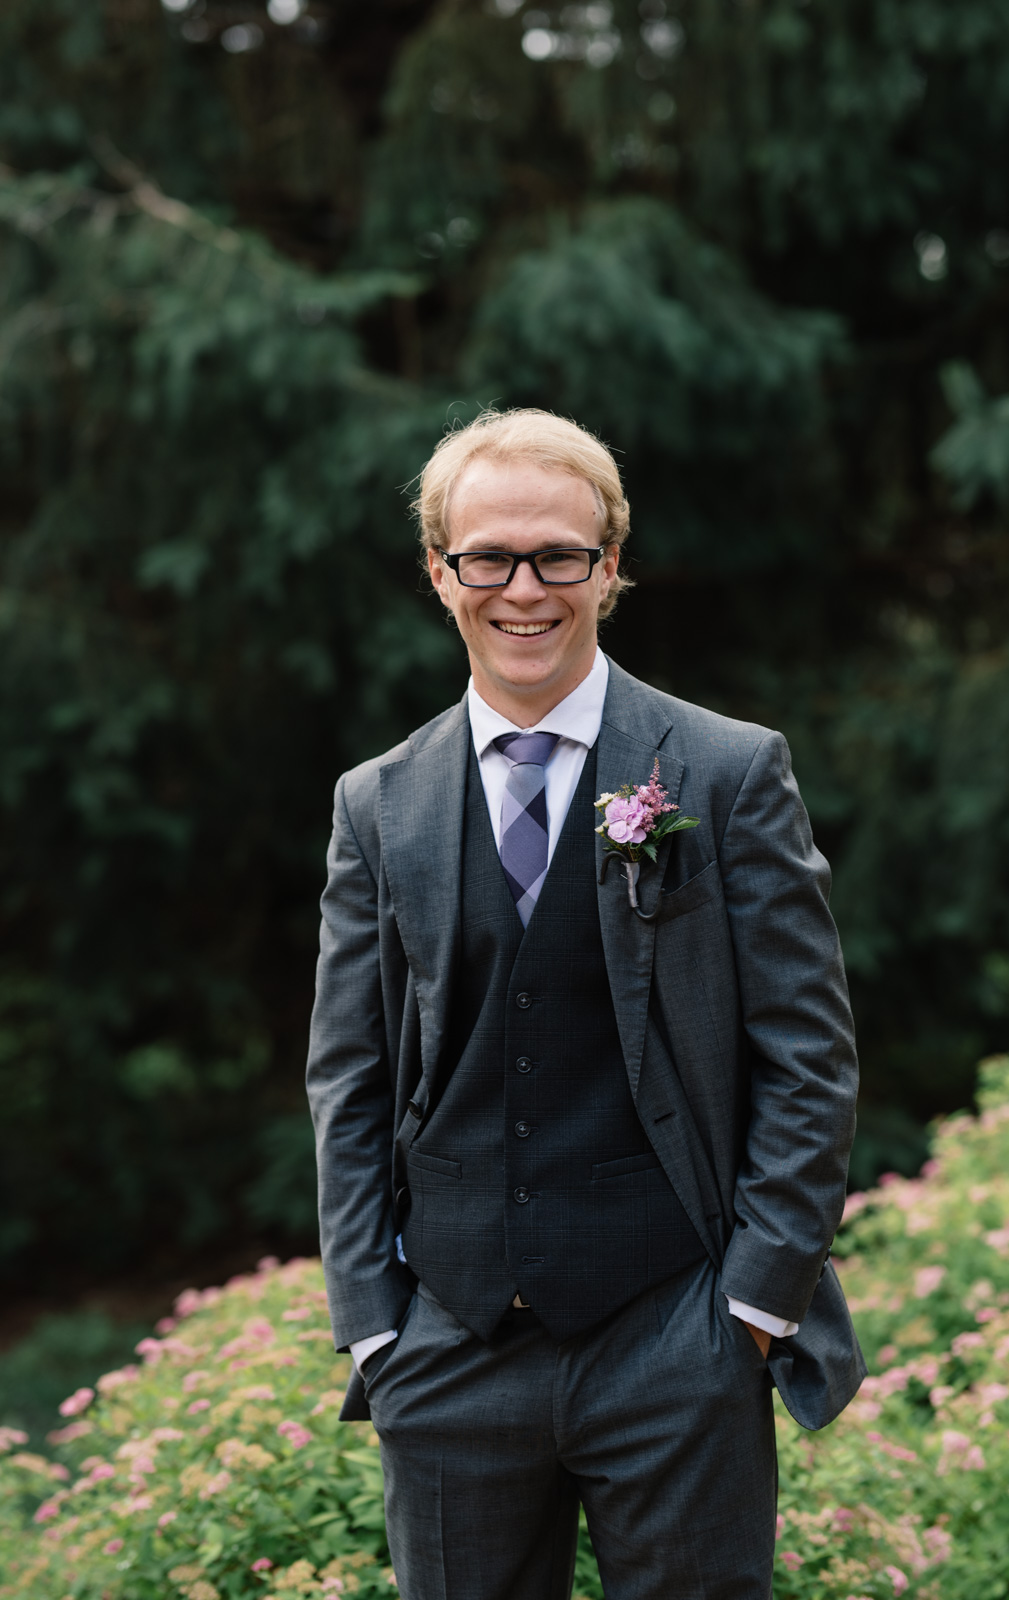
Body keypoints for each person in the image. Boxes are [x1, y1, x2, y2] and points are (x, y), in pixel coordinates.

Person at [306, 408, 865, 1600]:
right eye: (488, 557)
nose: (525, 588)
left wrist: (751, 1310)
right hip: (447, 1350)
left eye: (559, 554)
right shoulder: (378, 803)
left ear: (609, 566)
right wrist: (373, 1323)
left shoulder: (723, 770)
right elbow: (346, 1077)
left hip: (677, 1337)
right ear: (438, 572)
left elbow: (807, 1059)